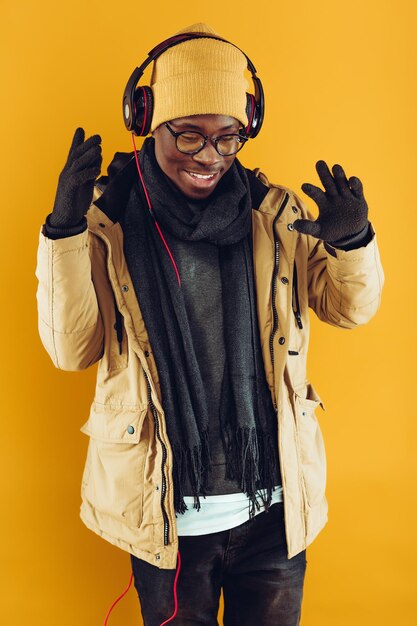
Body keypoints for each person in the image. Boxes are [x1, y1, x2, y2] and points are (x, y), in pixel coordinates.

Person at [35, 22, 384, 626]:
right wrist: (64, 231)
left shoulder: (278, 216)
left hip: (274, 508)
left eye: (228, 139)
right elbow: (73, 348)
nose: (210, 158)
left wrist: (354, 242)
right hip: (168, 517)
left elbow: (348, 309)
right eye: (189, 137)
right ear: (146, 117)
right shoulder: (107, 222)